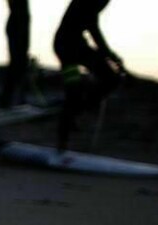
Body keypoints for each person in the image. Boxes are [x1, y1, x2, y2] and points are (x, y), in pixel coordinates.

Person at [53, 0, 125, 151]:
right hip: (67, 47)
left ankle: (77, 111)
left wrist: (107, 54)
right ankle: (63, 139)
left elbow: (92, 25)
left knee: (109, 79)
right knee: (75, 91)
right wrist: (108, 54)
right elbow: (93, 27)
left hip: (74, 44)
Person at [1, 0, 30, 108]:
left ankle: (15, 100)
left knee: (20, 64)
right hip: (17, 25)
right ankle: (8, 101)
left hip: (20, 25)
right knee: (17, 64)